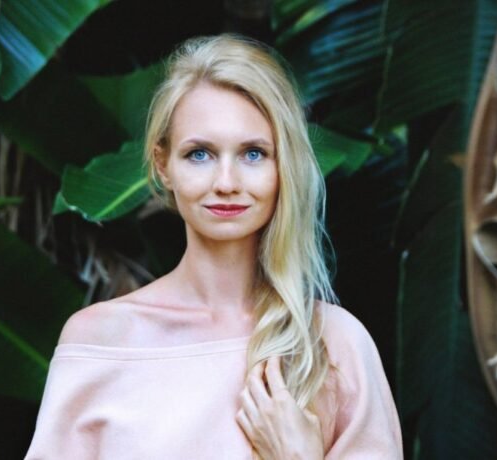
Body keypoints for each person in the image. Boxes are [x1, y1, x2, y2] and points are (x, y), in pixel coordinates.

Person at [25, 34, 402, 459]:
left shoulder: (336, 344)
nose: (226, 183)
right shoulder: (100, 340)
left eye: (253, 154)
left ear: (284, 166)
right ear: (163, 164)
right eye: (200, 154)